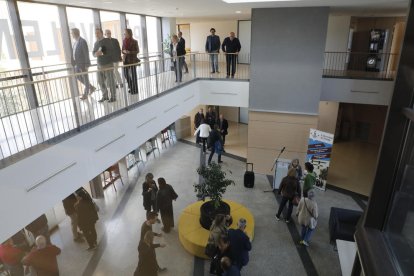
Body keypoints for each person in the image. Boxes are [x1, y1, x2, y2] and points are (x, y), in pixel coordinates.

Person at [70, 28, 96, 100]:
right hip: (77, 65)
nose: (71, 34)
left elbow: (86, 53)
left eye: (71, 33)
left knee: (85, 78)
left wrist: (87, 65)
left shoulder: (82, 41)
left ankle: (85, 94)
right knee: (78, 77)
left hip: (83, 64)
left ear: (75, 33)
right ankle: (91, 87)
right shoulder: (75, 42)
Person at [93, 28, 117, 103]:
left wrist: (102, 53)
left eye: (98, 33)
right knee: (100, 81)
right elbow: (93, 52)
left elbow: (112, 52)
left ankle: (113, 97)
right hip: (99, 66)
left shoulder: (107, 41)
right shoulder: (96, 43)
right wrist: (95, 54)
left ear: (102, 33)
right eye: (95, 33)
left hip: (108, 64)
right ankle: (105, 96)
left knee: (110, 82)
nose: (96, 34)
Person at [122, 28, 140, 94]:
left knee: (134, 75)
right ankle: (132, 86)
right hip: (125, 60)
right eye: (124, 33)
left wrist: (130, 52)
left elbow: (137, 51)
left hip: (132, 60)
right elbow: (122, 50)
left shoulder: (135, 41)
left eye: (125, 33)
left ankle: (135, 90)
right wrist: (124, 51)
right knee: (126, 74)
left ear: (129, 33)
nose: (124, 34)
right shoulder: (124, 41)